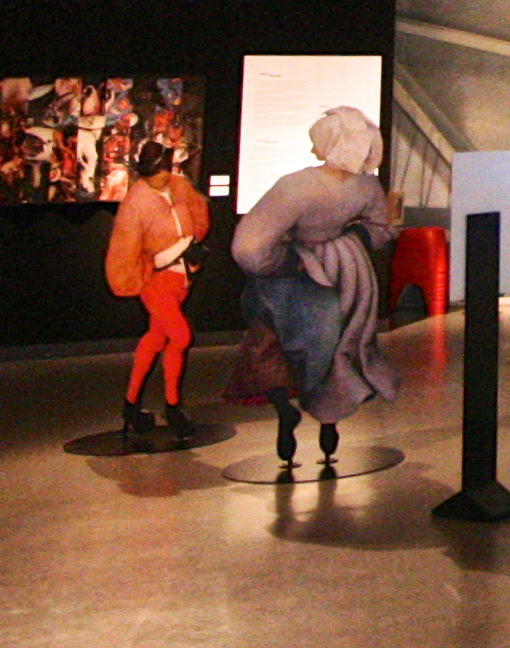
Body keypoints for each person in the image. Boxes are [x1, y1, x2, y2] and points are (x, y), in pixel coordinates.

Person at [229, 107, 399, 468]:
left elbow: (248, 248)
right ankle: (328, 427)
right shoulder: (367, 185)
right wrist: (350, 241)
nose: (312, 151)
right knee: (334, 351)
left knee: (271, 350)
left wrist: (289, 261)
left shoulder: (296, 186)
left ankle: (288, 418)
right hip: (347, 273)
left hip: (297, 278)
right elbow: (384, 228)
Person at [105, 140, 209, 449]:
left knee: (155, 339)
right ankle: (173, 407)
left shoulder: (179, 186)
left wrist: (192, 246)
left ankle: (131, 405)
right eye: (155, 172)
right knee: (180, 337)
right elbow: (128, 252)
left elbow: (197, 217)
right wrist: (179, 249)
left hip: (182, 281)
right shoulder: (135, 204)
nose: (162, 176)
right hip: (156, 282)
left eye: (164, 169)